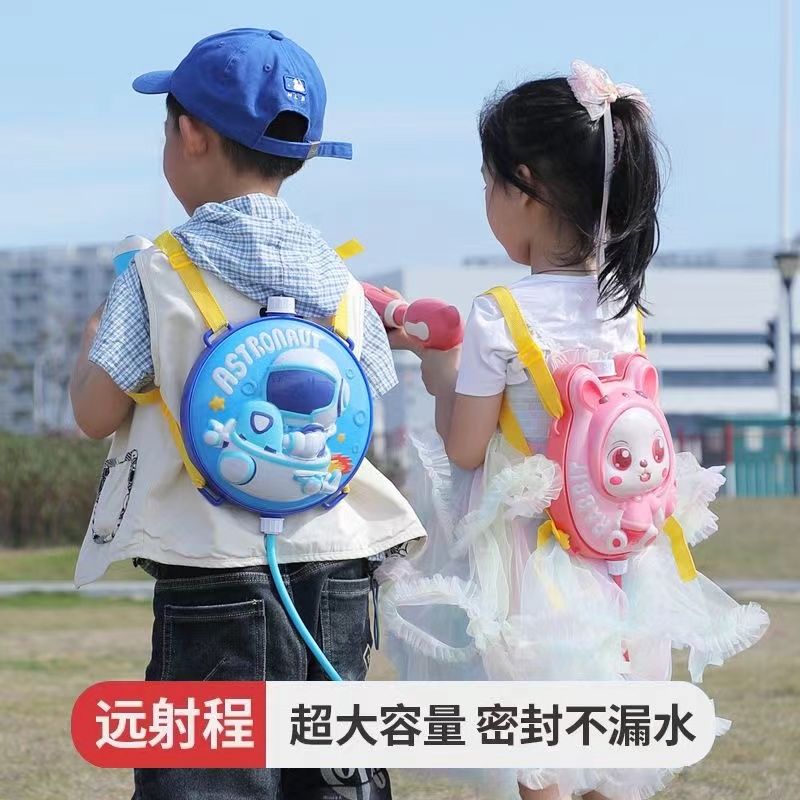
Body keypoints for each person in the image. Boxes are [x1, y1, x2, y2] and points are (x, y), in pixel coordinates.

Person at [376, 61, 769, 800]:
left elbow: (465, 447)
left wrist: (440, 368)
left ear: (525, 187)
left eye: (489, 184)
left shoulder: (500, 314)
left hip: (533, 562)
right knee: (603, 739)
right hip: (623, 560)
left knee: (541, 749)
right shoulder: (623, 309)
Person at [69, 28, 425, 800]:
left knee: (209, 775)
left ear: (192, 134)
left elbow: (94, 412)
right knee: (334, 773)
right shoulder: (340, 279)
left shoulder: (156, 271)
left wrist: (98, 333)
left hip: (212, 571)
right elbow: (367, 397)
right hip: (337, 562)